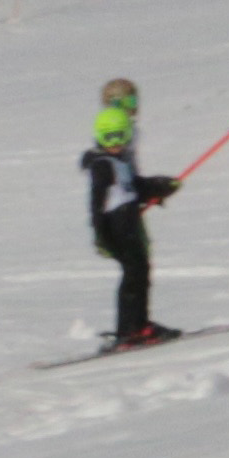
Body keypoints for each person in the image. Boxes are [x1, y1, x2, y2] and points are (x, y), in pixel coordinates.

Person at [81, 103, 182, 348]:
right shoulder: (103, 165)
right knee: (134, 273)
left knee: (140, 271)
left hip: (129, 222)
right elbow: (96, 204)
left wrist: (159, 187)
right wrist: (101, 236)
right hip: (117, 226)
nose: (115, 142)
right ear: (99, 137)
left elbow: (133, 188)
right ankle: (129, 329)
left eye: (120, 136)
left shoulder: (121, 161)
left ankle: (140, 324)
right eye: (109, 137)